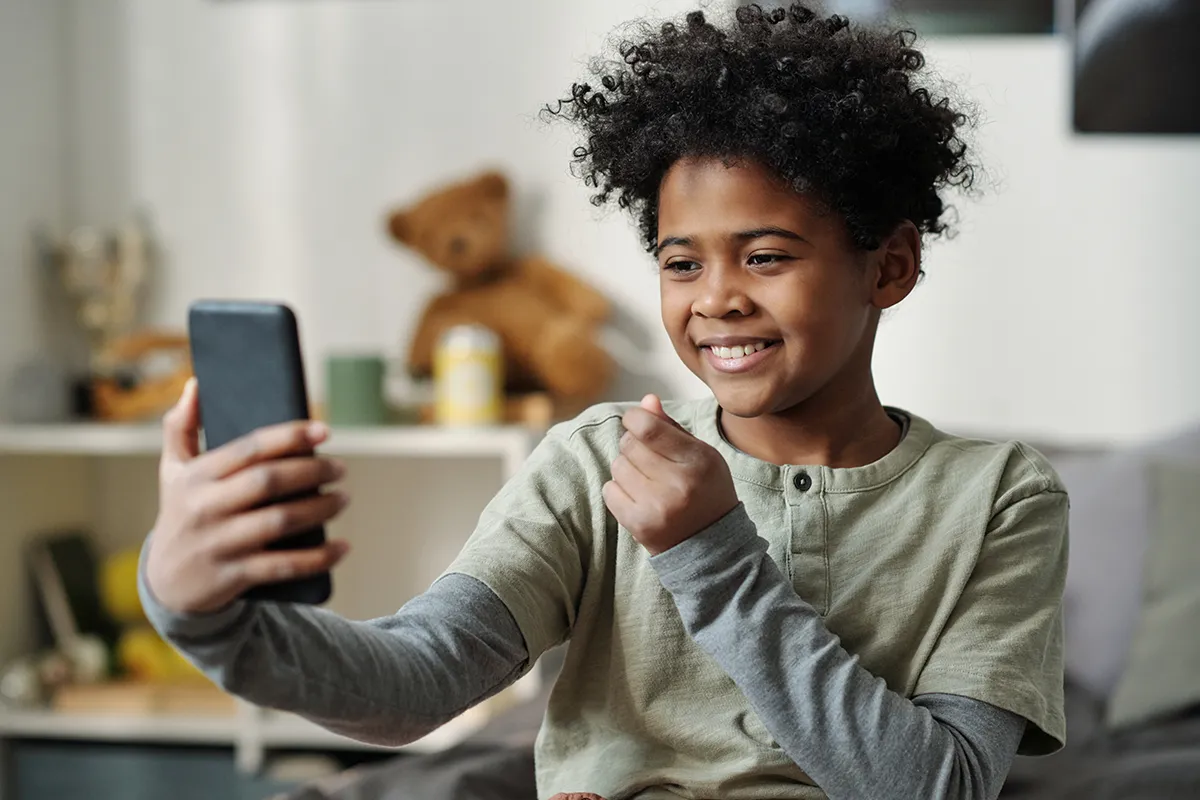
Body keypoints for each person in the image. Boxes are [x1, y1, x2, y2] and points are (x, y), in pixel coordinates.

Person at [140, 5, 1068, 799]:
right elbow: (419, 680)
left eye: (767, 255)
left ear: (890, 265)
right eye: (680, 262)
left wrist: (711, 555)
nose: (716, 298)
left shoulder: (1000, 498)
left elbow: (938, 784)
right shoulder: (594, 464)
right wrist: (201, 614)